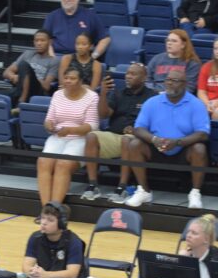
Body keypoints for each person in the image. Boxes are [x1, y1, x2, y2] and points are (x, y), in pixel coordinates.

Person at [125, 68, 210, 209]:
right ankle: (144, 191)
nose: (170, 83)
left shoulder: (196, 104)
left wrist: (177, 142)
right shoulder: (152, 102)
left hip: (184, 149)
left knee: (199, 149)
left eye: (175, 81)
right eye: (168, 80)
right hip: (156, 147)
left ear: (184, 84)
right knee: (135, 144)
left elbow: (203, 134)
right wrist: (154, 139)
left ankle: (195, 193)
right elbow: (138, 129)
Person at [80, 63, 156, 204]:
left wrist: (136, 130)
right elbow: (103, 115)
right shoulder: (118, 93)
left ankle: (122, 187)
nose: (128, 76)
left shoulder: (152, 97)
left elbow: (155, 123)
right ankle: (92, 185)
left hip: (137, 139)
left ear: (144, 77)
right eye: (127, 73)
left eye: (133, 74)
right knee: (92, 136)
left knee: (127, 140)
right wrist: (103, 93)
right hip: (114, 135)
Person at [37, 67, 99, 205]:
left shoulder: (92, 97)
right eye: (66, 78)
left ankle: (55, 208)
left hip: (80, 139)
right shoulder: (57, 94)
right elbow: (49, 119)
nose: (68, 81)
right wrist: (49, 125)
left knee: (63, 164)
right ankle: (45, 208)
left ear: (81, 81)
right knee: (43, 162)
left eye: (72, 78)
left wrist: (70, 130)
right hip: (58, 137)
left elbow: (92, 126)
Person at [23, 202, 85, 278]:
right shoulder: (35, 238)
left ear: (61, 224)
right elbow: (26, 266)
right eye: (43, 218)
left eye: (50, 220)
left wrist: (47, 275)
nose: (44, 223)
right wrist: (33, 273)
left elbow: (72, 273)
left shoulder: (74, 242)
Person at [43, 0, 110, 56]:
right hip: (57, 56)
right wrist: (52, 58)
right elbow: (45, 39)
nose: (66, 0)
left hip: (80, 58)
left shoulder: (90, 15)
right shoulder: (52, 16)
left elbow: (105, 39)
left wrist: (93, 56)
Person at [0, 29, 58, 106]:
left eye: (42, 40)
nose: (39, 43)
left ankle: (21, 103)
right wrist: (14, 77)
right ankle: (20, 101)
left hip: (37, 91)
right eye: (36, 41)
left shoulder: (54, 61)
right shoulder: (28, 54)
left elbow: (46, 87)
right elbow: (6, 72)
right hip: (19, 89)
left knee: (24, 65)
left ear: (50, 42)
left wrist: (28, 78)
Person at [146, 28, 201, 92]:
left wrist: (170, 94)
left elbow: (189, 87)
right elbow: (147, 80)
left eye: (174, 41)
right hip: (155, 95)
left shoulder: (192, 63)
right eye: (168, 40)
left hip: (178, 97)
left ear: (183, 45)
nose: (169, 43)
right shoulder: (157, 58)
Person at [178, 214, 218, 278]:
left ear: (206, 239)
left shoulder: (215, 260)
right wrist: (181, 261)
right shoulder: (185, 256)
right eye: (188, 231)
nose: (188, 235)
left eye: (194, 233)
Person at [198, 39, 218, 120]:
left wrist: (216, 103)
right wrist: (207, 104)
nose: (217, 51)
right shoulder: (206, 67)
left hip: (216, 104)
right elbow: (201, 92)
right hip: (208, 103)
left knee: (216, 114)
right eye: (215, 48)